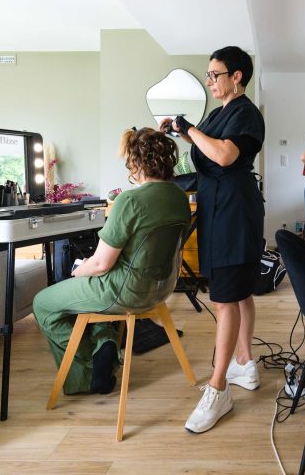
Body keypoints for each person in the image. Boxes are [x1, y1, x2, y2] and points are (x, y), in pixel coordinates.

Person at [33, 127, 191, 396]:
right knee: (93, 296)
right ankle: (103, 343)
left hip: (124, 291)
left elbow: (101, 265)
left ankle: (89, 374)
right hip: (160, 289)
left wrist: (78, 271)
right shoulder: (179, 198)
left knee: (44, 303)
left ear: (136, 162)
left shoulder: (129, 200)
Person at [160, 46, 264, 434]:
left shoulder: (246, 114)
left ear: (236, 76)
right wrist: (181, 129)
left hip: (233, 213)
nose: (209, 81)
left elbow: (222, 156)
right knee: (239, 294)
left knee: (223, 301)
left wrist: (188, 129)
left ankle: (219, 388)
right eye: (208, 75)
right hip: (219, 208)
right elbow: (205, 150)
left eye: (215, 74)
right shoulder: (220, 113)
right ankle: (245, 363)